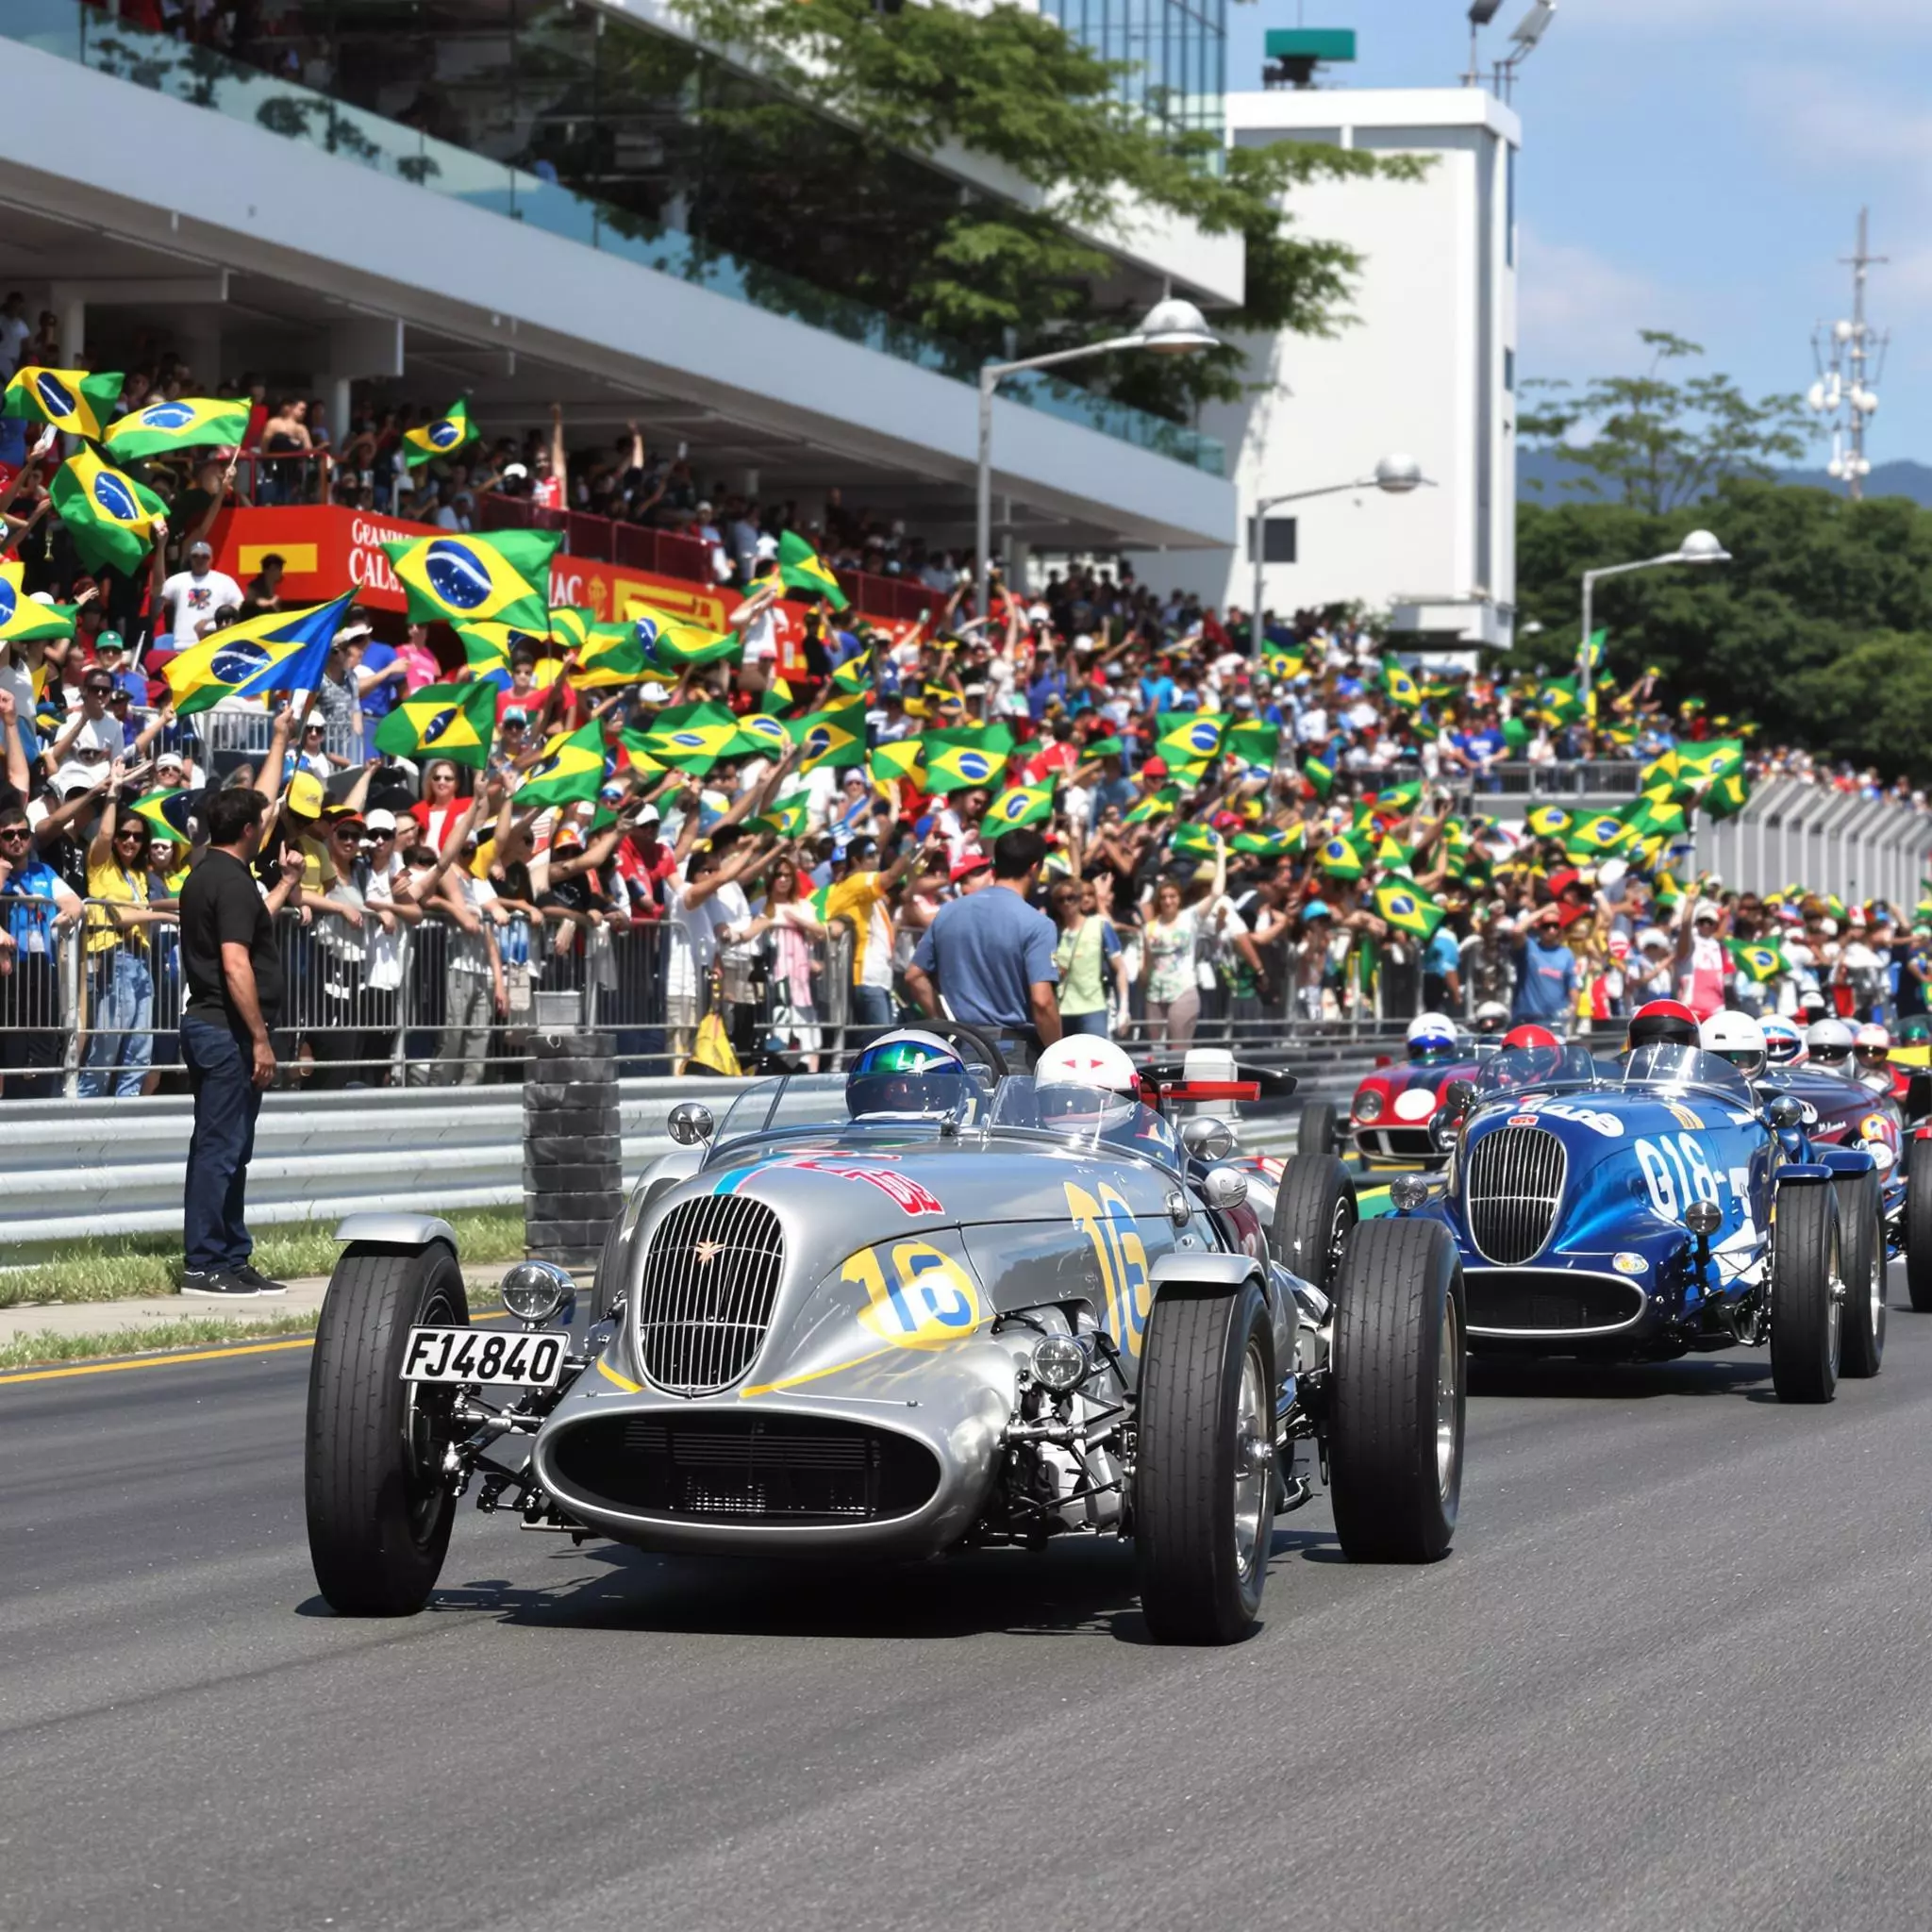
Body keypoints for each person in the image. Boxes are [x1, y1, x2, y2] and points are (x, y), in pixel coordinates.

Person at [176, 788, 290, 1297]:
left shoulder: (206, 874)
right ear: (249, 830)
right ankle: (204, 1263)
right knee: (220, 1149)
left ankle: (231, 1254)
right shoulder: (232, 883)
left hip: (213, 1027)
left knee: (232, 1149)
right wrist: (260, 1039)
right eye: (262, 822)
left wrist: (286, 881)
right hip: (227, 1032)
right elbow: (234, 962)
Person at [904, 825, 1060, 1066]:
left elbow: (914, 976)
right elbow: (1043, 1001)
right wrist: (1057, 1056)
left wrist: (946, 1025)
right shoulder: (1037, 924)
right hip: (1014, 1052)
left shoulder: (948, 913)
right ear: (1034, 868)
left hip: (962, 1046)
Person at [1510, 906, 1576, 1027]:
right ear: (1539, 928)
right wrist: (1544, 910)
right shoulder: (1529, 947)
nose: (1551, 930)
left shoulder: (1566, 954)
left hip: (1555, 1021)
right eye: (1547, 926)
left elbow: (1572, 985)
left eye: (1555, 926)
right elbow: (1517, 931)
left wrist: (1572, 1009)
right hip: (1526, 1020)